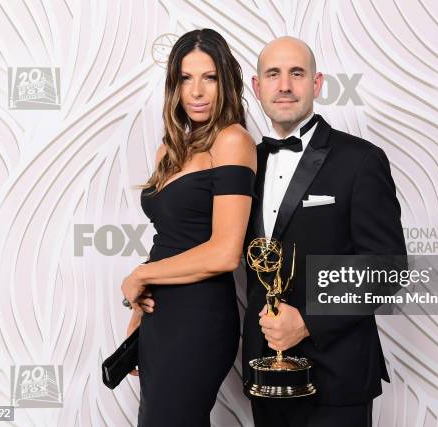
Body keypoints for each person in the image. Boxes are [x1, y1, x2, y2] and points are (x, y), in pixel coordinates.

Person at [243, 36, 406, 427]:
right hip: (264, 374)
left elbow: (387, 267)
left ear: (316, 84)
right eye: (273, 74)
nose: (284, 85)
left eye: (296, 74)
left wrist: (309, 321)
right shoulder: (245, 165)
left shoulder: (361, 160)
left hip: (338, 376)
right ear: (257, 86)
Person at [120, 28, 256, 427]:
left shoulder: (233, 141)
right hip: (159, 313)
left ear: (225, 83)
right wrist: (138, 314)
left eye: (209, 77)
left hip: (199, 317)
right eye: (185, 78)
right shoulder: (171, 148)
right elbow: (169, 238)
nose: (196, 91)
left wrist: (140, 274)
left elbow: (225, 251)